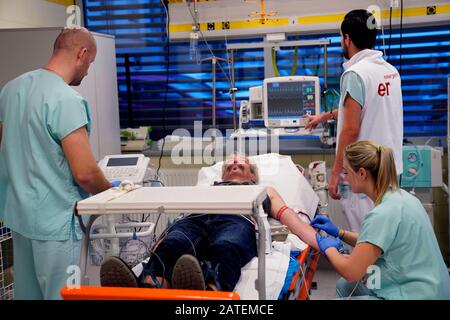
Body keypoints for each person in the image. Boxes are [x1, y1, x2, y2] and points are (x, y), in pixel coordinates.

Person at [0, 28, 112, 300]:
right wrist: (112, 192)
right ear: (82, 54)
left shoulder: (10, 90)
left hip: (20, 218)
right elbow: (85, 173)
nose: (87, 71)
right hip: (57, 227)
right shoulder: (66, 100)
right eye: (91, 63)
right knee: (65, 296)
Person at [100, 154, 320, 292]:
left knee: (227, 247)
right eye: (230, 163)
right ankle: (149, 285)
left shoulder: (263, 190)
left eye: (240, 163)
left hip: (237, 219)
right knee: (174, 243)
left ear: (252, 176)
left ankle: (210, 290)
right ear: (222, 173)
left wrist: (320, 242)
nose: (234, 164)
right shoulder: (206, 188)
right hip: (195, 219)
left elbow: (288, 216)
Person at [273, 140, 450, 299]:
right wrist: (340, 233)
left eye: (346, 172)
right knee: (345, 286)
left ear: (363, 174)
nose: (344, 177)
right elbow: (377, 241)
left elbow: (351, 271)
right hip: (434, 287)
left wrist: (326, 247)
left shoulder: (382, 214)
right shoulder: (401, 198)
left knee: (350, 280)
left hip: (417, 294)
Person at [305, 9, 404, 232]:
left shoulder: (354, 74)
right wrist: (325, 116)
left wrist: (335, 174)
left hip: (364, 174)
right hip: (390, 171)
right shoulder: (390, 72)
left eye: (341, 37)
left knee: (364, 241)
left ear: (347, 38)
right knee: (385, 238)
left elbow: (350, 129)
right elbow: (367, 108)